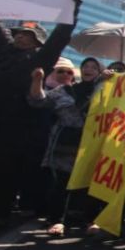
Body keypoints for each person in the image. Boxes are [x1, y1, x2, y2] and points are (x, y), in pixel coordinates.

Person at [0, 0, 81, 227]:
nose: (20, 37)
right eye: (18, 34)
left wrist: (72, 9)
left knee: (3, 171)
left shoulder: (43, 58)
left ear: (36, 42)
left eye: (27, 36)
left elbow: (60, 36)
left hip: (15, 126)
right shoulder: (5, 51)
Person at [28, 57, 108, 236]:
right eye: (85, 66)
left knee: (88, 183)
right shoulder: (65, 90)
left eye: (94, 67)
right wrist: (37, 80)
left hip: (93, 144)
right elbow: (38, 101)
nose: (88, 69)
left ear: (100, 71)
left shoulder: (106, 91)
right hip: (66, 142)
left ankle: (88, 219)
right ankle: (57, 220)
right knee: (62, 182)